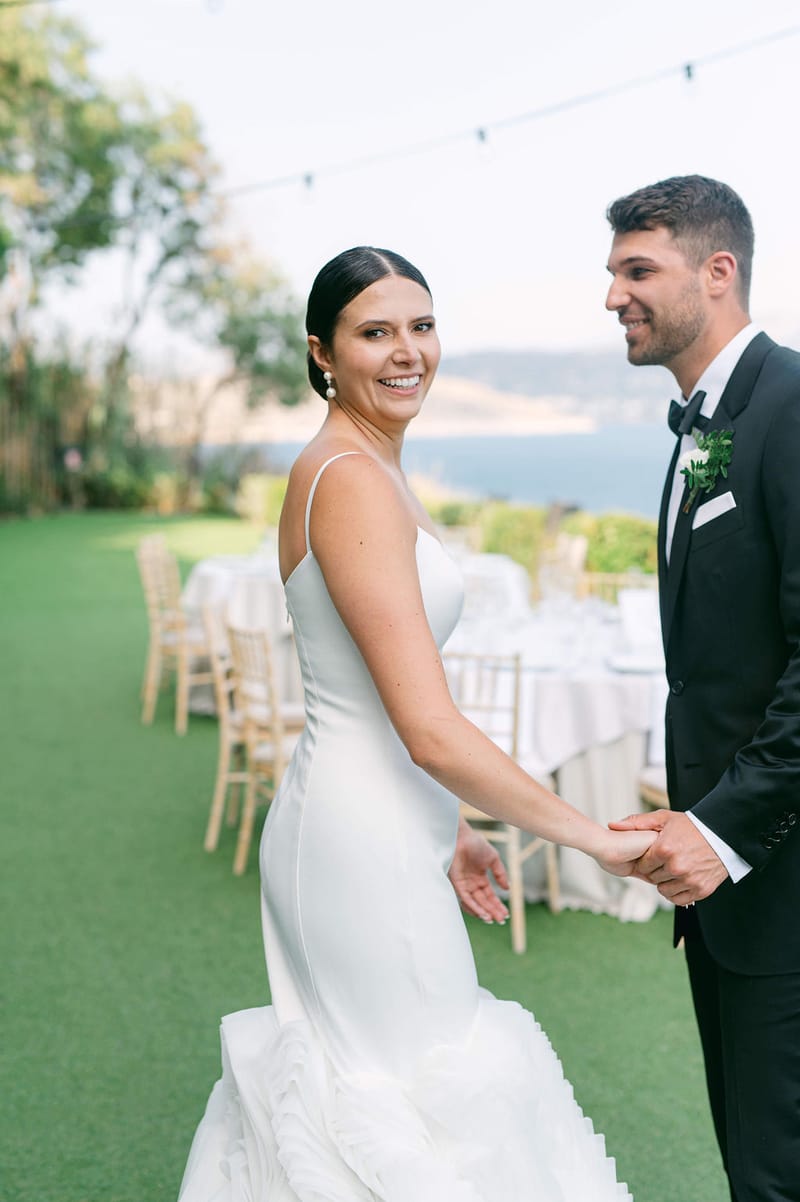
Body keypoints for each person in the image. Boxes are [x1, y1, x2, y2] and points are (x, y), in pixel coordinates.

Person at [177, 245, 653, 1201]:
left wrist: (455, 824)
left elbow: (395, 703)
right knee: (405, 1111)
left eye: (422, 326)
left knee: (415, 1102)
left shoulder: (376, 464)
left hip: (389, 828)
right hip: (355, 846)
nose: (408, 353)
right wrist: (593, 837)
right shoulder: (347, 477)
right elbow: (425, 724)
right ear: (322, 353)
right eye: (375, 332)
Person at [605, 176, 800, 1202]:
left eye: (636, 269)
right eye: (612, 273)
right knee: (750, 1162)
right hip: (720, 888)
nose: (612, 295)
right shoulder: (699, 425)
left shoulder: (792, 404)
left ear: (715, 271)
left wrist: (720, 828)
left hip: (779, 874)